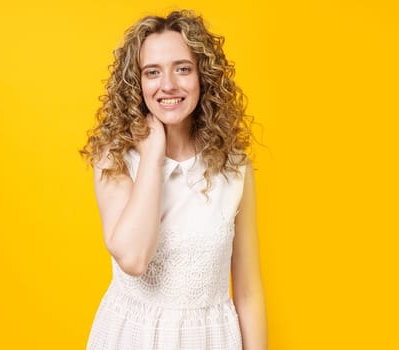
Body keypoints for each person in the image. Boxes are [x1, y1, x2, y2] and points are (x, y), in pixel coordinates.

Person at [79, 9, 267, 350]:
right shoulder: (114, 158)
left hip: (209, 340)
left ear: (203, 76)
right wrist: (153, 155)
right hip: (131, 338)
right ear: (137, 83)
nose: (168, 85)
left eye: (182, 68)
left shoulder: (235, 168)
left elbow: (248, 290)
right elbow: (133, 259)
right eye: (152, 72)